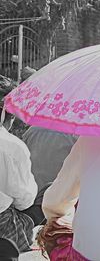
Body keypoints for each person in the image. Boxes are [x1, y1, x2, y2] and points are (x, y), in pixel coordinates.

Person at [0, 106, 43, 253]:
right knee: (47, 192)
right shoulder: (11, 145)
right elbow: (25, 200)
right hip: (3, 226)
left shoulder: (30, 133)